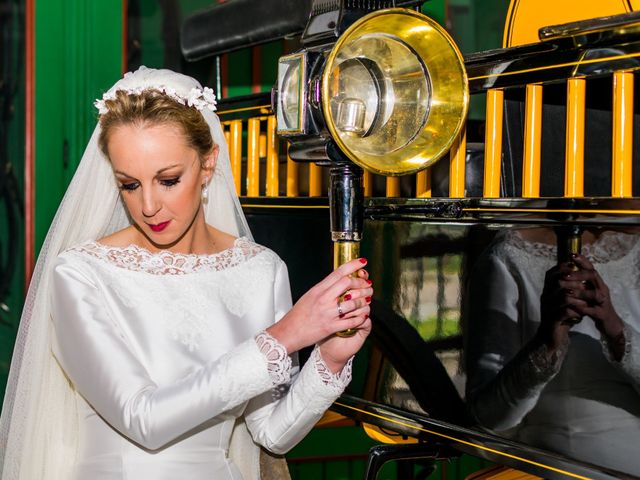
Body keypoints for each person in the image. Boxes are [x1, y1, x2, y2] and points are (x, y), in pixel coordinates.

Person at [0, 66, 374, 480]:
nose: (148, 206)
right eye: (129, 184)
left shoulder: (260, 270)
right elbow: (143, 419)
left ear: (209, 163)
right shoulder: (82, 274)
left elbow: (272, 434)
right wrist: (284, 336)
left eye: (168, 180)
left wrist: (330, 360)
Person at [465, 227, 640, 475]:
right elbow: (490, 417)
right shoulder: (508, 258)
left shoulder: (634, 253)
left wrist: (617, 332)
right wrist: (548, 342)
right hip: (566, 463)